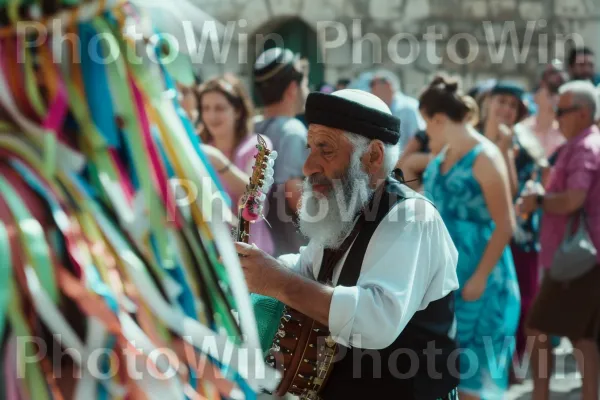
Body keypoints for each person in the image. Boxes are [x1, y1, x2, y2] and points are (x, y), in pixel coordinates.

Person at [236, 89, 460, 399]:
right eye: (309, 148)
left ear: (373, 156)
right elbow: (307, 269)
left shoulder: (412, 217)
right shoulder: (345, 207)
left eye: (325, 149)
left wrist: (278, 281)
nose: (308, 166)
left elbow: (375, 321)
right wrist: (248, 265)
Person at [421, 76, 520, 399]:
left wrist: (479, 278)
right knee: (448, 378)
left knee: (474, 384)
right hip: (447, 281)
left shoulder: (486, 158)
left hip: (484, 280)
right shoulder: (441, 156)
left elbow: (506, 225)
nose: (426, 132)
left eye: (427, 124)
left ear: (438, 119)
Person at [519, 80, 600, 400]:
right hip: (577, 259)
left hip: (576, 261)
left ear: (582, 113)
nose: (556, 119)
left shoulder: (584, 147)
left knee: (538, 329)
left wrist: (539, 200)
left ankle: (542, 396)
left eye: (562, 112)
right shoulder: (583, 143)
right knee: (581, 337)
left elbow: (573, 199)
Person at [196, 74, 275, 255]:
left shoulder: (260, 146)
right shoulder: (199, 148)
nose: (211, 115)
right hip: (212, 255)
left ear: (238, 111)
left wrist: (220, 163)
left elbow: (254, 197)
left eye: (220, 108)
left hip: (252, 256)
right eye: (205, 108)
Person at [253, 47, 310, 256]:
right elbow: (293, 192)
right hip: (286, 251)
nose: (307, 88)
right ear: (292, 88)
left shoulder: (252, 127)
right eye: (305, 83)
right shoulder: (293, 131)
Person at [369, 69, 426, 151]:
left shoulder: (409, 107)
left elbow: (419, 140)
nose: (371, 89)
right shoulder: (378, 109)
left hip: (406, 162)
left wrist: (403, 162)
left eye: (372, 84)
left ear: (387, 85)